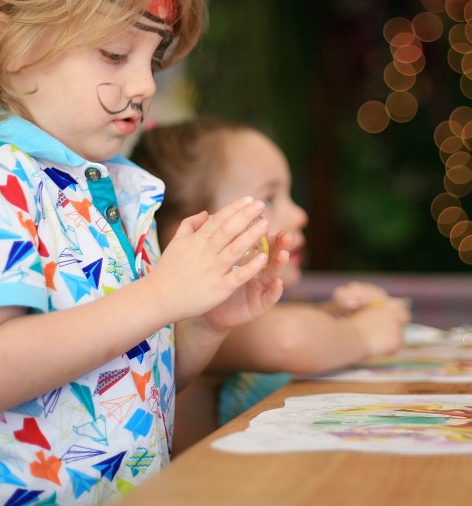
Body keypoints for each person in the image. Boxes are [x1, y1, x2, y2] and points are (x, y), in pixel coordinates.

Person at [0, 0, 292, 504]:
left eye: (153, 57)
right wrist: (160, 294)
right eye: (114, 54)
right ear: (2, 42)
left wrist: (197, 327)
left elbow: (124, 379)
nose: (144, 83)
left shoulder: (105, 193)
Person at [131, 117, 411, 450]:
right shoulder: (193, 325)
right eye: (270, 199)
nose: (299, 215)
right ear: (189, 230)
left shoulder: (228, 320)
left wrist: (333, 318)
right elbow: (289, 337)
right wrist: (363, 333)